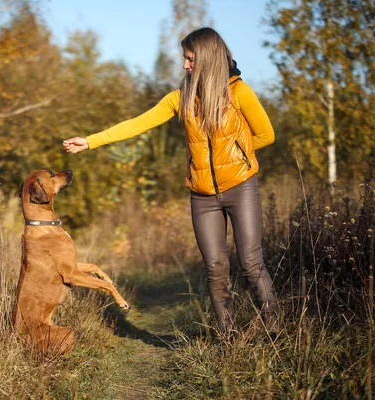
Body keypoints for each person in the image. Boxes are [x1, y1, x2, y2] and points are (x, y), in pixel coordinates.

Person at [62, 27, 279, 335]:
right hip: (202, 196)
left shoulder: (239, 92)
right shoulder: (182, 97)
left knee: (251, 264)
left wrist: (232, 154)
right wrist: (92, 141)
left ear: (206, 58)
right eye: (184, 59)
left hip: (241, 186)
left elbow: (266, 135)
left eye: (189, 59)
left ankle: (275, 332)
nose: (185, 65)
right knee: (215, 269)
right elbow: (137, 124)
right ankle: (230, 340)